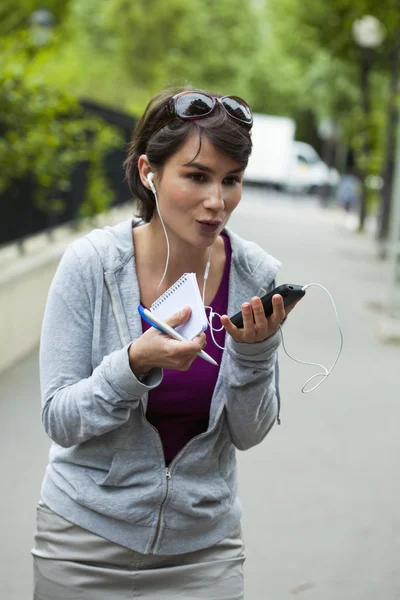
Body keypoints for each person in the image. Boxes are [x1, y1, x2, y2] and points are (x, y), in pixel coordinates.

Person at [32, 87, 299, 599]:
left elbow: (249, 433)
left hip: (204, 552)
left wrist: (254, 356)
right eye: (197, 176)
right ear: (149, 173)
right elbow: (59, 419)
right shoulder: (92, 265)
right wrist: (132, 365)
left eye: (231, 181)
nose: (217, 202)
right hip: (83, 543)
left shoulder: (252, 277)